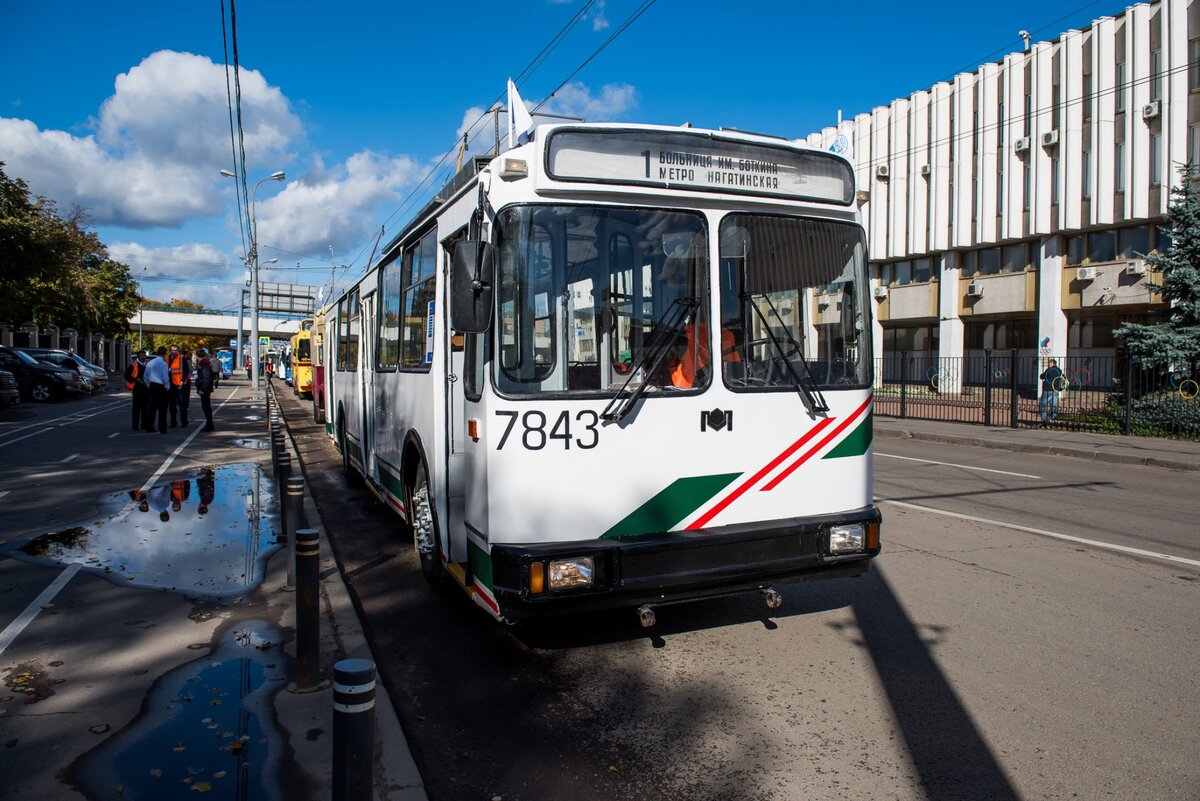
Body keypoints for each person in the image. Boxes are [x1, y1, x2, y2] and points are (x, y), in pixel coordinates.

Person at [142, 346, 170, 433]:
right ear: (165, 354)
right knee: (162, 409)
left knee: (151, 408)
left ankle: (149, 426)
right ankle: (162, 428)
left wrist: (148, 385)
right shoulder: (163, 364)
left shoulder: (150, 363)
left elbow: (145, 376)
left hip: (152, 386)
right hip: (161, 387)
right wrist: (167, 386)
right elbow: (165, 377)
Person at [166, 345, 191, 427]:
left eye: (176, 350)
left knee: (182, 405)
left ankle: (184, 422)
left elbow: (186, 371)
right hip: (170, 385)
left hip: (180, 385)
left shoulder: (182, 359)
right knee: (171, 405)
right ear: (170, 351)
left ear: (178, 351)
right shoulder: (167, 358)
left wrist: (182, 381)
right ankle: (173, 422)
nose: (174, 352)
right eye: (173, 350)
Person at [124, 350, 148, 430]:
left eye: (144, 356)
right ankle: (135, 425)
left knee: (145, 408)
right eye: (142, 356)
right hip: (137, 389)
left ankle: (144, 424)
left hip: (146, 389)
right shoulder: (133, 365)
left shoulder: (147, 365)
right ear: (138, 357)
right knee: (136, 408)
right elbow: (127, 376)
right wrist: (136, 379)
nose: (144, 357)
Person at [195, 348, 216, 432]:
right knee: (206, 407)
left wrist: (202, 389)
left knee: (206, 407)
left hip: (205, 389)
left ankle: (209, 425)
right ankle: (209, 424)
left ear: (197, 356)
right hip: (206, 388)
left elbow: (206, 377)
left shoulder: (204, 363)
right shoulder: (205, 362)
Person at [1039, 358, 1064, 425]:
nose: (1048, 365)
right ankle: (1054, 419)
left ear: (1053, 363)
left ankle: (1046, 419)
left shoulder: (1049, 370)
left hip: (1048, 390)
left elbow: (1041, 376)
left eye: (1049, 363)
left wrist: (1043, 374)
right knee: (1053, 405)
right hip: (1055, 390)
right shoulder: (1059, 370)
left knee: (1042, 404)